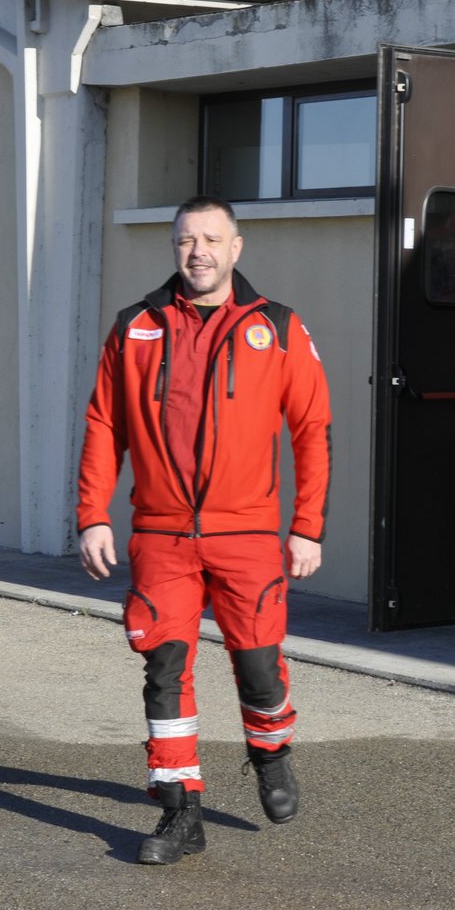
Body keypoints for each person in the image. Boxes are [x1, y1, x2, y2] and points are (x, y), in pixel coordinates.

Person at [76, 195, 332, 865]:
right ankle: (180, 811)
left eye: (212, 240)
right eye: (187, 241)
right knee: (164, 668)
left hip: (247, 535)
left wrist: (307, 526)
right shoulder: (136, 327)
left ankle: (271, 754)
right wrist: (93, 514)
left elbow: (313, 429)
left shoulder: (275, 327)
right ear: (174, 247)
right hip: (160, 534)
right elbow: (105, 424)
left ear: (236, 248)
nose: (199, 253)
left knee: (258, 663)